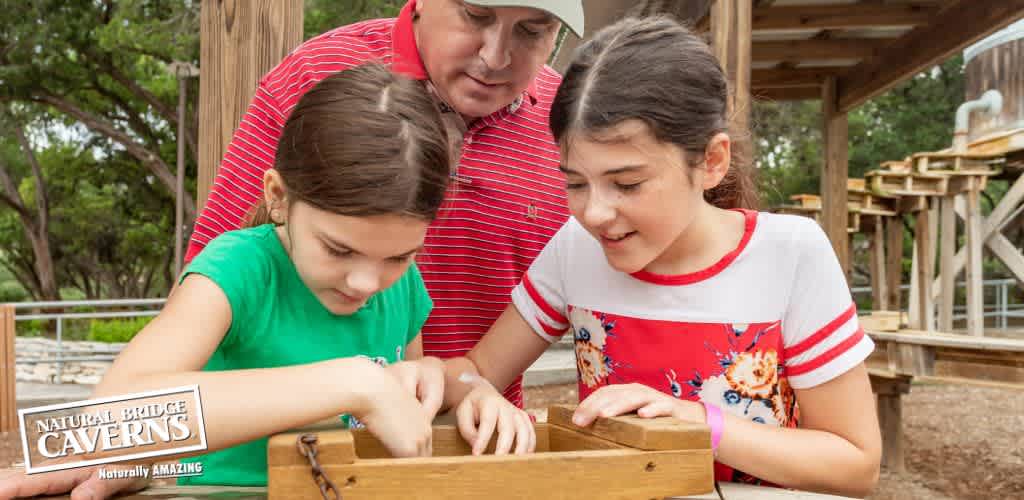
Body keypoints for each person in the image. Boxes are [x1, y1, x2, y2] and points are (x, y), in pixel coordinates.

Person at [442, 16, 882, 497]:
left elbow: (856, 463)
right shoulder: (576, 247)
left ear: (712, 161)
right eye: (574, 182)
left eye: (627, 184)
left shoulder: (791, 254)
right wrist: (469, 390)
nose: (595, 212)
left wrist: (701, 424)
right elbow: (477, 371)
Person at [2, 63, 454, 498]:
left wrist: (457, 391)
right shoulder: (238, 270)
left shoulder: (403, 285)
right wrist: (353, 382)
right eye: (338, 249)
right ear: (279, 197)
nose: (365, 282)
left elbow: (404, 402)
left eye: (399, 255)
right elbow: (106, 419)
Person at [186, 0, 585, 409]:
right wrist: (352, 389)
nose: (494, 57)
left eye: (532, 30)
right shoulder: (314, 74)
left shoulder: (574, 119)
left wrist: (471, 389)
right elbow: (207, 295)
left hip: (456, 443)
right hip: (273, 442)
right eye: (475, 16)